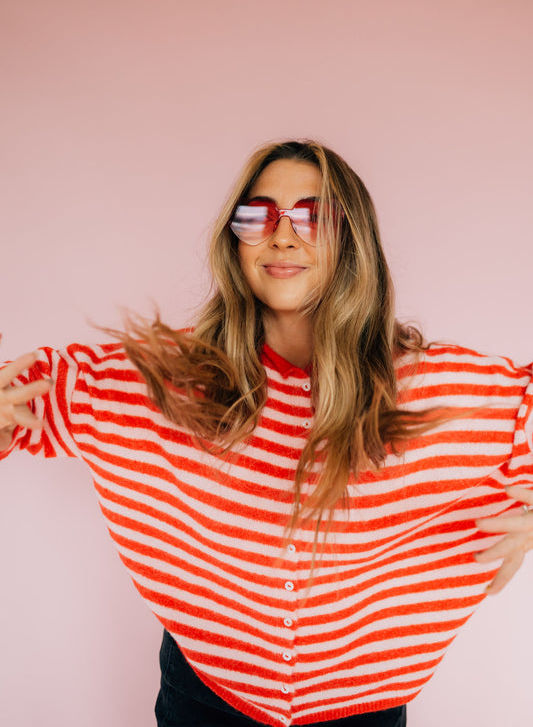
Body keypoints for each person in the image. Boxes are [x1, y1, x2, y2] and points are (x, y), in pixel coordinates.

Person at [1, 140, 532, 727]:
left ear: (353, 239)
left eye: (314, 215)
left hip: (364, 707)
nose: (282, 235)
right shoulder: (175, 376)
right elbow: (39, 395)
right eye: (256, 216)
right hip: (203, 692)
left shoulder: (435, 385)